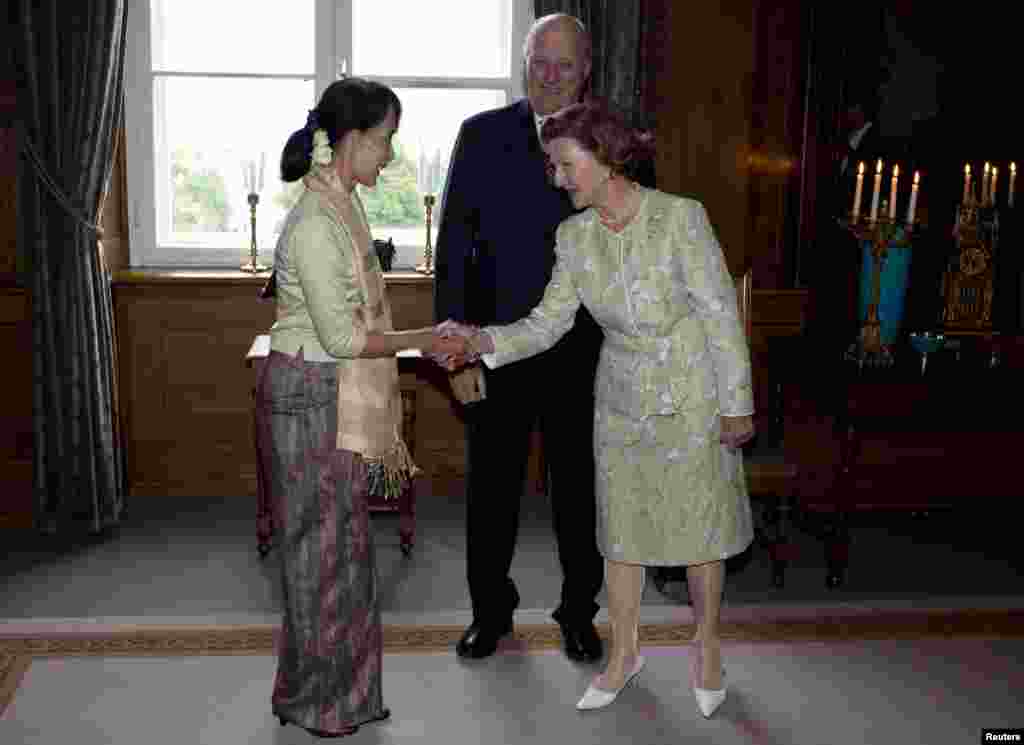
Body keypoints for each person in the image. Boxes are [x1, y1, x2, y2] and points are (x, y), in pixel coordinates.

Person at [436, 100, 756, 718]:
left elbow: (721, 314)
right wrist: (482, 340)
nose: (555, 178)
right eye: (552, 166)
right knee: (621, 535)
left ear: (606, 157)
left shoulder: (680, 219)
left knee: (701, 530)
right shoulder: (574, 235)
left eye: (563, 164)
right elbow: (548, 323)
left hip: (691, 393)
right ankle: (624, 654)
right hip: (618, 398)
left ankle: (707, 647)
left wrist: (736, 404)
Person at [257, 77, 464, 738]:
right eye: (385, 140)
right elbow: (346, 338)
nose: (391, 155)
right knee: (321, 555)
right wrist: (421, 341)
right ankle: (319, 700)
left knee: (343, 552)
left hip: (330, 388)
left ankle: (332, 692)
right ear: (349, 140)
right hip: (311, 391)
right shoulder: (318, 221)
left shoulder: (343, 204)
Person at [432, 13, 607, 663]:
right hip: (494, 347)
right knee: (492, 491)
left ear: (586, 69)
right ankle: (490, 610)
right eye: (539, 63)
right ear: (524, 63)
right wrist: (453, 345)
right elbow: (453, 247)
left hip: (583, 354)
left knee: (581, 493)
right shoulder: (481, 136)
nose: (549, 77)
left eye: (564, 65)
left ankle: (578, 611)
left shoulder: (611, 139)